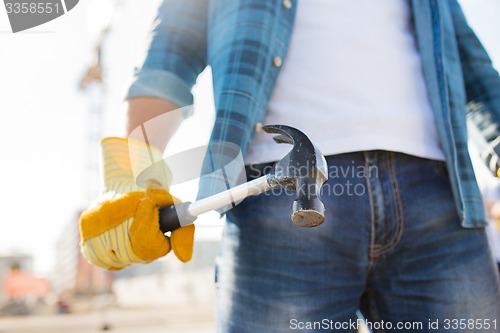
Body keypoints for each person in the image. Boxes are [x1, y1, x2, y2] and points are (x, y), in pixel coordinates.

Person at [80, 0, 500, 332]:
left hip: (442, 200)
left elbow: (474, 69)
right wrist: (127, 178)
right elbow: (168, 58)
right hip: (273, 196)